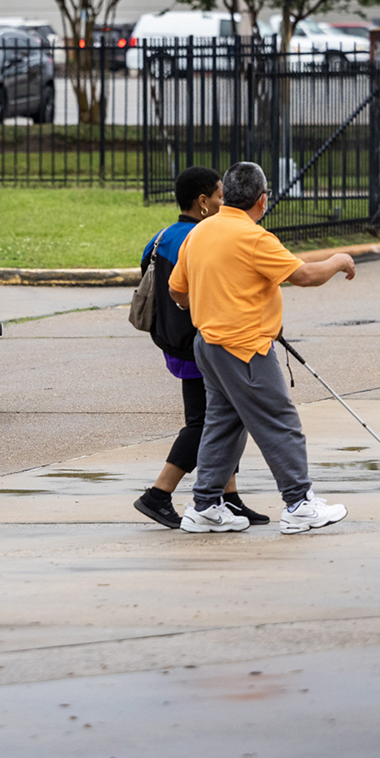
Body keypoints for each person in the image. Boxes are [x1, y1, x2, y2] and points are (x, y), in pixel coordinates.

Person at [167, 161, 357, 535]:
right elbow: (304, 275)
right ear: (263, 200)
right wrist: (338, 260)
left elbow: (177, 290)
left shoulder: (200, 233)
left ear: (226, 197)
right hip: (245, 349)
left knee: (223, 424)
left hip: (209, 345)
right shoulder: (254, 238)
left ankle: (204, 506)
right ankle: (299, 503)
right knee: (279, 422)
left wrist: (213, 300)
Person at [132, 166, 268, 530]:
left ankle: (229, 497)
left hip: (174, 344)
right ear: (204, 201)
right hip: (204, 343)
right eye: (221, 195)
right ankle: (158, 493)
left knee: (224, 416)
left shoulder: (162, 237)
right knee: (207, 422)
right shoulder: (201, 238)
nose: (226, 202)